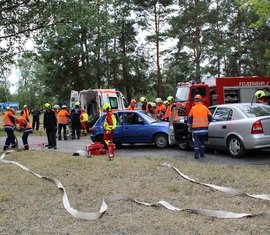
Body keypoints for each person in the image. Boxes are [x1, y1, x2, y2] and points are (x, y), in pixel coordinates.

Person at [188, 94, 212, 159]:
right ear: (201, 100)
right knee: (202, 142)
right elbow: (210, 117)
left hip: (196, 129)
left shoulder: (193, 109)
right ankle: (202, 154)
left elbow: (189, 119)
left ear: (195, 100)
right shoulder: (205, 108)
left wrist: (189, 127)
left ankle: (196, 156)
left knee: (196, 142)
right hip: (204, 128)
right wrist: (208, 122)